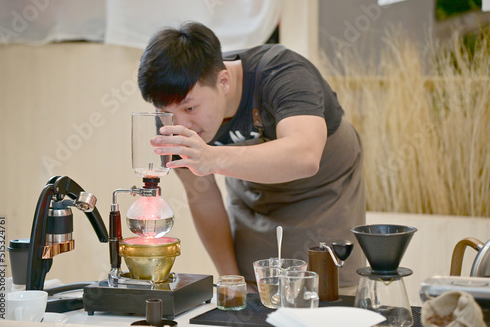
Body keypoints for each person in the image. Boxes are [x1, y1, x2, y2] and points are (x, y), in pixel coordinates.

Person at [137, 21, 365, 292]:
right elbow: (203, 197)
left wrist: (213, 158)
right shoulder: (171, 120)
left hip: (323, 193)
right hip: (254, 200)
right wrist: (229, 280)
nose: (182, 124)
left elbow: (305, 156)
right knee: (255, 296)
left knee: (327, 292)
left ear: (223, 81)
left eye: (190, 107)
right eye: (168, 111)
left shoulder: (282, 72)